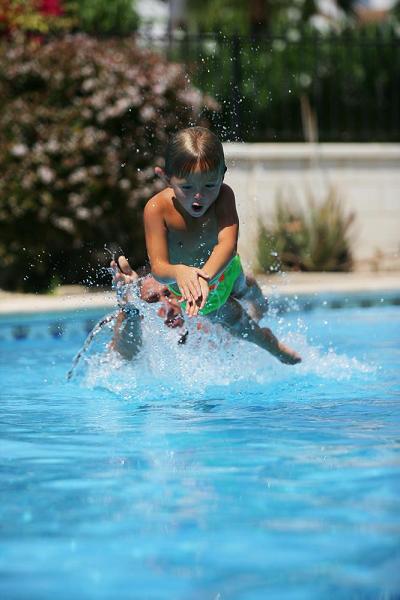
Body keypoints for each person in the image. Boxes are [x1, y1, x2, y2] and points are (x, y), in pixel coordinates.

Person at [143, 126, 301, 365]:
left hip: (223, 269)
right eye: (187, 187)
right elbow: (158, 267)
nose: (199, 196)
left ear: (223, 175)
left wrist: (205, 276)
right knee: (235, 318)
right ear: (166, 177)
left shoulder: (225, 196)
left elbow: (228, 244)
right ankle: (271, 344)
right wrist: (181, 272)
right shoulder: (156, 209)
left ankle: (261, 318)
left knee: (249, 285)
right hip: (189, 288)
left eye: (209, 186)